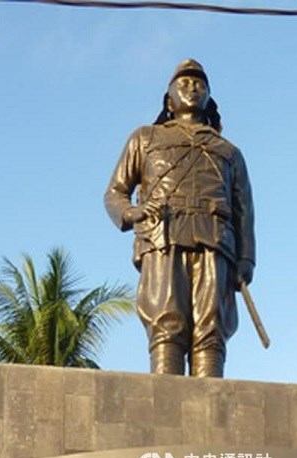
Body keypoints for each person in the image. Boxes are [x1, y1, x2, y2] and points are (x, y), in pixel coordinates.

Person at [105, 59, 255, 377]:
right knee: (165, 319)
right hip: (162, 235)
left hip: (215, 239)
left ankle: (211, 400)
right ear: (168, 98)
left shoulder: (228, 152)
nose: (192, 87)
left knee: (210, 324)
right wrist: (132, 213)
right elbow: (115, 193)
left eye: (199, 83)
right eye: (183, 83)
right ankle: (164, 393)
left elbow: (244, 212)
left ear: (209, 96)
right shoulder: (145, 138)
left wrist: (246, 260)